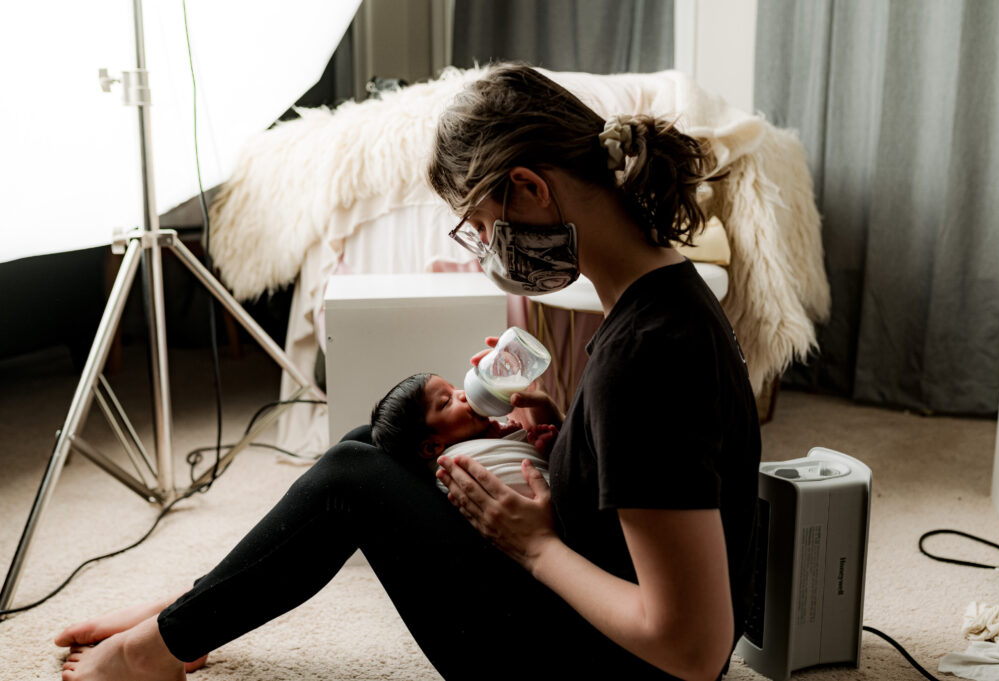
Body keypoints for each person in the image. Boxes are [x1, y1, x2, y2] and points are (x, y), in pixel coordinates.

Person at [56, 62, 761, 681]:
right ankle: (193, 614)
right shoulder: (664, 298)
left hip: (609, 665)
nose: (487, 248)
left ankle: (155, 647)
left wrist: (539, 547)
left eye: (482, 226)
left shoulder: (646, 356)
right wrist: (569, 430)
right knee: (375, 440)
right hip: (597, 619)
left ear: (529, 187)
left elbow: (692, 650)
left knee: (352, 481)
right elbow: (650, 476)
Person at [370, 372, 556, 495]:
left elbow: (521, 453)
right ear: (432, 446)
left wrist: (531, 441)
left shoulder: (488, 432)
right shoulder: (456, 467)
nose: (463, 394)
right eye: (446, 402)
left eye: (455, 388)